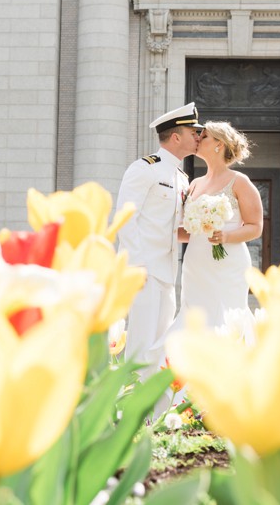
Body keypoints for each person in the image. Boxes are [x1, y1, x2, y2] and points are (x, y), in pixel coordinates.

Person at [116, 102, 203, 383]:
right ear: (176, 136)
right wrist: (137, 264)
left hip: (167, 271)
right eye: (193, 131)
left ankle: (152, 417)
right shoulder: (145, 169)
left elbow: (169, 229)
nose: (198, 136)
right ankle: (129, 415)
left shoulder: (180, 177)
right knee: (141, 344)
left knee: (159, 346)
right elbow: (126, 217)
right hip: (145, 270)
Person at [172, 120, 263, 334]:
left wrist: (226, 237)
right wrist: (158, 233)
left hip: (227, 264)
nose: (197, 139)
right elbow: (190, 233)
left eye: (203, 137)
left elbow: (255, 226)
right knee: (194, 316)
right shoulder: (194, 184)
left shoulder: (240, 182)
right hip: (195, 264)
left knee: (226, 316)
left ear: (218, 144)